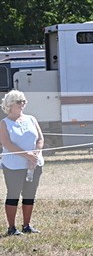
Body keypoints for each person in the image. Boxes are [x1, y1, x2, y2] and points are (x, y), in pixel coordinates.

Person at [0, 90, 44, 235]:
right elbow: (6, 143)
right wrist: (27, 155)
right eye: (19, 102)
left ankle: (27, 225)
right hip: (13, 166)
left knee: (29, 194)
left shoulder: (31, 119)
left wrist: (35, 155)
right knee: (13, 194)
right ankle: (11, 228)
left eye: (24, 101)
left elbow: (40, 139)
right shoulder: (4, 123)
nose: (22, 104)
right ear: (10, 105)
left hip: (33, 165)